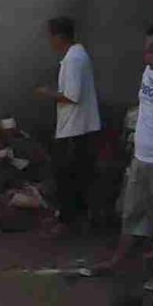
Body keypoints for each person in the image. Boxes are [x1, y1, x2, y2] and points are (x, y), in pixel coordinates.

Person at [95, 24, 153, 272]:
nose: (147, 55)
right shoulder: (147, 72)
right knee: (132, 212)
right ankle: (118, 261)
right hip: (141, 156)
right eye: (146, 49)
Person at [35, 16, 101, 236]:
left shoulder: (74, 59)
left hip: (75, 128)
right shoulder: (76, 56)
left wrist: (47, 93)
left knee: (67, 176)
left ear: (59, 36)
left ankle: (68, 222)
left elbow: (72, 96)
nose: (50, 41)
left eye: (51, 36)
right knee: (76, 175)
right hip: (77, 126)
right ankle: (75, 220)